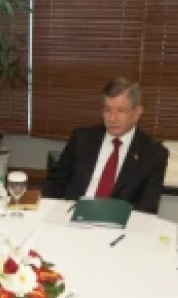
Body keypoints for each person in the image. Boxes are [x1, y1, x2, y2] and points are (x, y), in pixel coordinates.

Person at [43, 77, 170, 214]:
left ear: (137, 113)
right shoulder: (82, 139)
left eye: (120, 111)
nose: (112, 118)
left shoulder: (153, 154)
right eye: (107, 110)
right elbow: (55, 184)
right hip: (72, 215)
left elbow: (147, 208)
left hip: (119, 222)